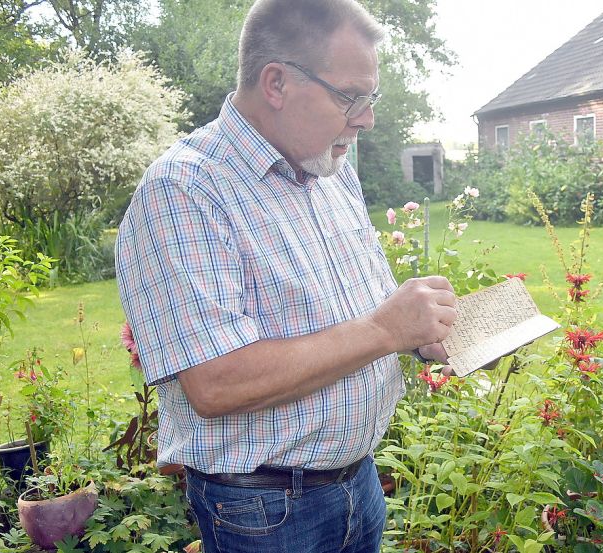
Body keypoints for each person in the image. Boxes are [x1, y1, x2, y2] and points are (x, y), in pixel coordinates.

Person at [114, 0, 457, 551]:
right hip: (267, 513)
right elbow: (217, 382)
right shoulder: (186, 191)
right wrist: (388, 330)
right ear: (276, 83)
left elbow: (358, 313)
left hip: (359, 486)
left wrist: (419, 334)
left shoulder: (329, 169)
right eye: (351, 96)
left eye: (371, 97)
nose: (366, 117)